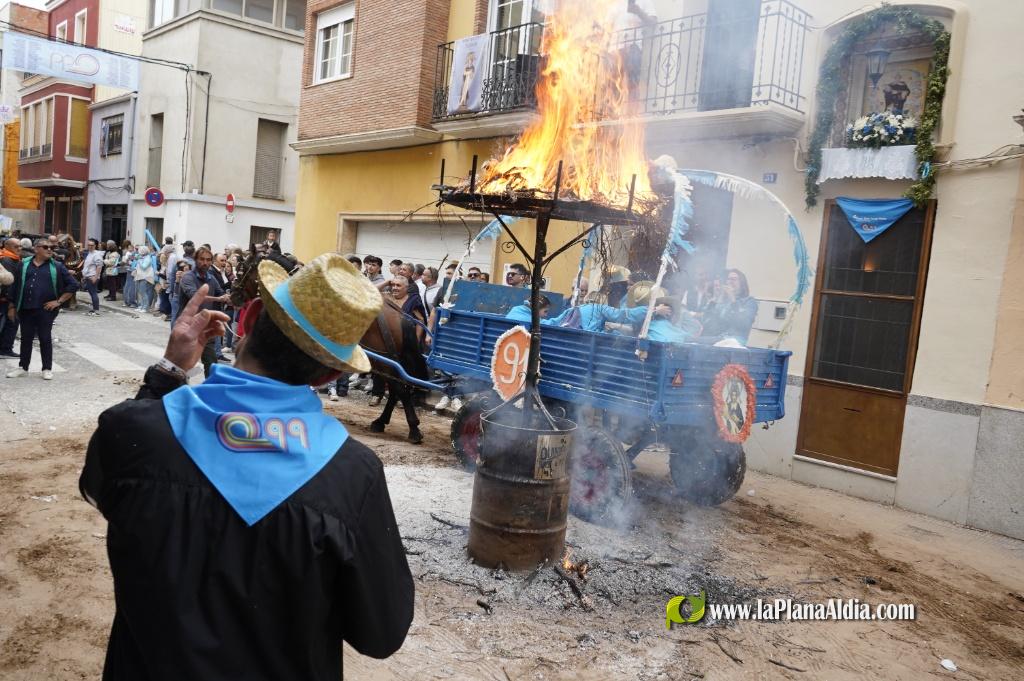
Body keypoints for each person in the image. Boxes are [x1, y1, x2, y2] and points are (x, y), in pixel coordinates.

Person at [79, 254, 414, 680]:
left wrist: (165, 374)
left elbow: (102, 489)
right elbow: (381, 634)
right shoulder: (352, 474)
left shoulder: (134, 429)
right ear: (330, 375)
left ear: (250, 316)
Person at [6, 238, 79, 380]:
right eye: (46, 247)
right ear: (36, 249)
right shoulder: (23, 264)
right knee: (25, 338)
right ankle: (23, 368)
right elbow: (15, 287)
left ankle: (46, 368)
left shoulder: (57, 266)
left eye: (52, 247)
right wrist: (11, 306)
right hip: (25, 307)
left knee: (45, 337)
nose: (50, 249)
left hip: (46, 309)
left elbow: (73, 284)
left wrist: (59, 301)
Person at [370, 275, 427, 443]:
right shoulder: (388, 299)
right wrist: (387, 282)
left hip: (405, 343)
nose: (394, 288)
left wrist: (416, 344)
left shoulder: (412, 301)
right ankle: (385, 418)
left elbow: (421, 321)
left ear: (406, 288)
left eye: (398, 285)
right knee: (394, 381)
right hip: (398, 341)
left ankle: (412, 423)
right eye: (392, 285)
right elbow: (371, 291)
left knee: (395, 380)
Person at [178, 247, 230, 377]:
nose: (205, 263)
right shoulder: (187, 277)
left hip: (206, 328)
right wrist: (219, 298)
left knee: (211, 363)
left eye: (208, 260)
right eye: (202, 259)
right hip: (187, 328)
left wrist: (230, 298)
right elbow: (196, 296)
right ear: (195, 260)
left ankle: (210, 391)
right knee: (181, 366)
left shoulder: (211, 279)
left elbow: (221, 294)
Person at [700, 269, 757, 345]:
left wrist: (733, 300)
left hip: (735, 341)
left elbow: (744, 324)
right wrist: (715, 301)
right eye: (728, 279)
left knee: (690, 340)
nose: (730, 282)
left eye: (734, 279)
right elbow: (707, 323)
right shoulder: (724, 302)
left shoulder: (749, 301)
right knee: (691, 340)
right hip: (719, 339)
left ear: (742, 283)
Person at [1, 237, 23, 357]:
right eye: (16, 246)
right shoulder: (7, 260)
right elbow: (8, 283)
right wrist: (11, 303)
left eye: (20, 246)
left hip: (8, 299)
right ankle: (5, 349)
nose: (19, 248)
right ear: (7, 247)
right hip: (7, 300)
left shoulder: (13, 259)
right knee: (11, 323)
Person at [168, 241, 196, 326]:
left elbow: (171, 277)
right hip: (189, 294)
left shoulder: (178, 262)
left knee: (175, 316)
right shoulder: (195, 265)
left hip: (177, 292)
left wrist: (172, 291)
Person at [81, 238, 105, 316]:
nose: (90, 246)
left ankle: (96, 310)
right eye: (88, 245)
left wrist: (95, 277)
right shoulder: (89, 253)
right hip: (88, 276)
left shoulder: (97, 254)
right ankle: (95, 309)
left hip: (92, 276)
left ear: (95, 246)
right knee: (92, 293)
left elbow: (99, 266)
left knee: (93, 293)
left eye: (92, 245)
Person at [133, 245, 157, 313]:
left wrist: (139, 261)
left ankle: (145, 307)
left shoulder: (148, 258)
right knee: (139, 292)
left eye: (140, 250)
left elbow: (144, 267)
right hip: (139, 276)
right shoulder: (141, 257)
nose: (138, 251)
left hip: (145, 277)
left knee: (143, 292)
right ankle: (140, 306)